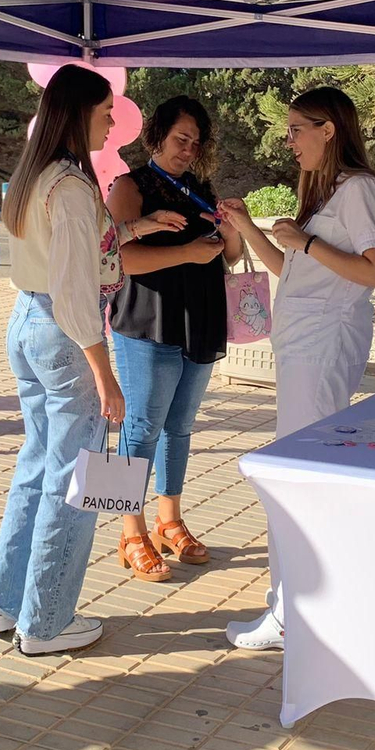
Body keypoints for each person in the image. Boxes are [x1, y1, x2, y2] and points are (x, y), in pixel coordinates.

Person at [0, 65, 183, 656]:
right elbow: (73, 291)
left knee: (37, 467)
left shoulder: (37, 174)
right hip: (64, 332)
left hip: (29, 321)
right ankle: (46, 623)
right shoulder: (70, 185)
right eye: (104, 113)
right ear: (76, 114)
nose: (112, 122)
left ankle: (5, 603)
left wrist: (136, 226)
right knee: (73, 483)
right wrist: (104, 373)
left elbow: (72, 253)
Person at [216, 87, 375, 649]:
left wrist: (308, 241)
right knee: (299, 470)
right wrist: (250, 229)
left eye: (297, 129)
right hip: (303, 349)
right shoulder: (327, 192)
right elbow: (290, 268)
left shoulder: (360, 190)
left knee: (297, 475)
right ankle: (302, 604)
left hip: (321, 350)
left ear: (328, 130)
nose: (289, 140)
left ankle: (293, 611)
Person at [107, 96, 242, 581]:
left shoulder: (200, 189)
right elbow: (119, 258)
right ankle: (129, 531)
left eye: (196, 143)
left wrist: (235, 227)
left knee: (179, 427)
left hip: (199, 320)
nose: (188, 150)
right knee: (140, 427)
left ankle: (169, 521)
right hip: (147, 322)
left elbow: (229, 256)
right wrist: (187, 252)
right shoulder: (130, 186)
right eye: (181, 139)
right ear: (156, 137)